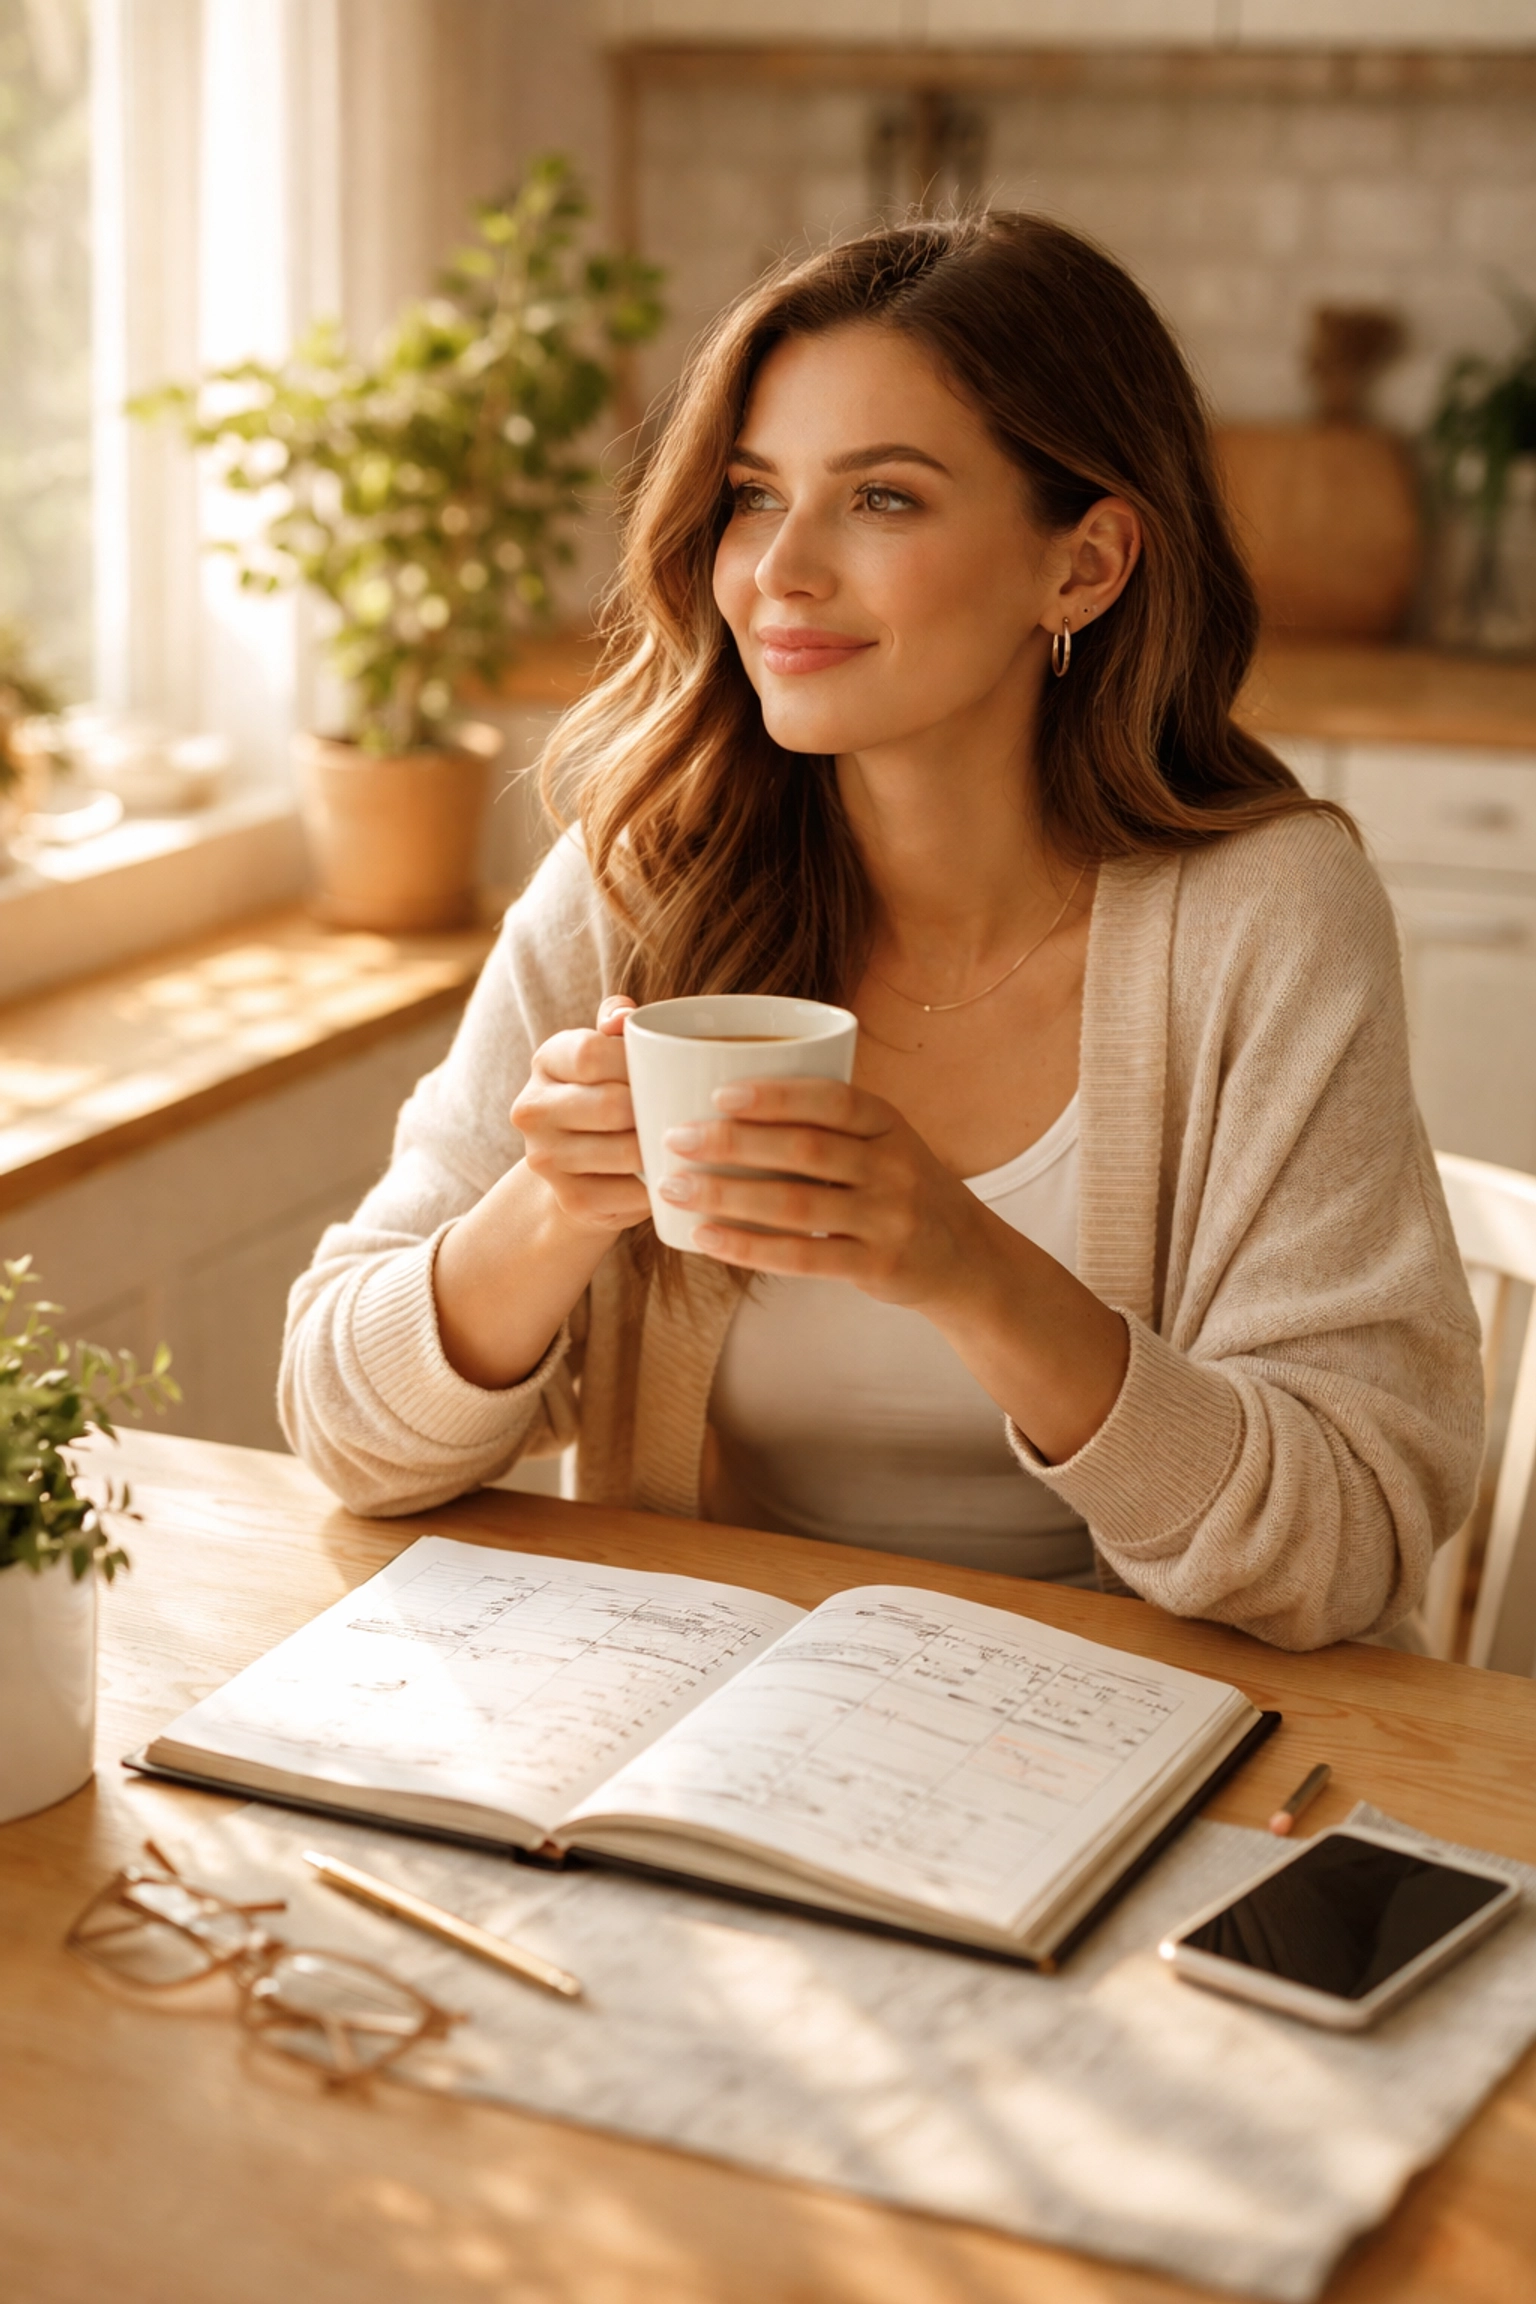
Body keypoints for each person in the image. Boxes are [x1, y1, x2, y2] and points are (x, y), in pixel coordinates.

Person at [281, 213, 1483, 1651]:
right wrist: (552, 1207)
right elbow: (345, 1435)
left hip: (1159, 1723)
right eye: (752, 494)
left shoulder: (1265, 916)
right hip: (724, 1717)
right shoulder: (645, 882)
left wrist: (970, 1268)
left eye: (883, 499)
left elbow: (1343, 1540)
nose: (778, 571)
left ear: (1086, 566)